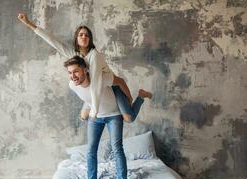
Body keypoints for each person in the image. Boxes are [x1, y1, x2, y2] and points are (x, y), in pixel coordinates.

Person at [17, 13, 152, 122]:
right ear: (76, 38)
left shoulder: (95, 56)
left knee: (129, 118)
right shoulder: (73, 54)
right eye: (81, 34)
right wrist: (29, 23)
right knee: (83, 117)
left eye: (87, 35)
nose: (84, 37)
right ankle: (90, 103)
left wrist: (129, 97)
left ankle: (141, 95)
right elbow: (52, 41)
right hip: (92, 91)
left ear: (90, 39)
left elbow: (113, 81)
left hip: (110, 87)